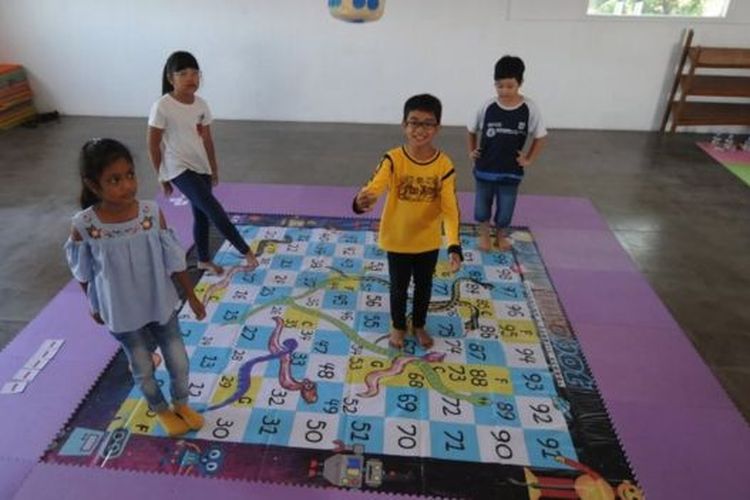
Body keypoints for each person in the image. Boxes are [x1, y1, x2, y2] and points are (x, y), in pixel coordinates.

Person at [64, 138, 206, 437]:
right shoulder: (84, 224)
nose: (127, 185)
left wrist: (191, 295)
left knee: (179, 361)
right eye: (114, 180)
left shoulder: (151, 213)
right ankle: (161, 409)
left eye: (130, 175)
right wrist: (93, 303)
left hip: (159, 302)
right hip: (121, 311)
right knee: (143, 368)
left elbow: (174, 258)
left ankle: (181, 403)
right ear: (92, 184)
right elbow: (83, 272)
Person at [353, 94, 462, 350]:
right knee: (399, 288)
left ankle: (420, 324)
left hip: (427, 241)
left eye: (428, 123)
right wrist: (362, 201)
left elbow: (450, 209)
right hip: (398, 239)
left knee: (424, 287)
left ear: (438, 128)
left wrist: (454, 245)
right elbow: (374, 187)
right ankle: (398, 325)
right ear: (404, 125)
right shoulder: (392, 159)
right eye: (414, 122)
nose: (420, 129)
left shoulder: (444, 165)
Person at [147, 50, 258, 275]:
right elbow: (153, 144)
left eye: (195, 73)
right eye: (183, 73)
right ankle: (246, 252)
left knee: (201, 214)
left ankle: (203, 260)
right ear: (170, 78)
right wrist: (162, 176)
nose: (191, 78)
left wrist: (213, 169)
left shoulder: (201, 105)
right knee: (213, 209)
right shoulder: (162, 106)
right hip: (179, 168)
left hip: (201, 166)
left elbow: (207, 139)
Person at [468, 55, 547, 251]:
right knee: (481, 206)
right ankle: (484, 234)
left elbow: (541, 136)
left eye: (510, 86)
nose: (504, 91)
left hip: (511, 171)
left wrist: (528, 159)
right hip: (485, 168)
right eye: (499, 86)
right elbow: (471, 129)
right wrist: (472, 151)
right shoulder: (488, 106)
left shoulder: (529, 108)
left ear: (520, 83)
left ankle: (501, 235)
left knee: (506, 209)